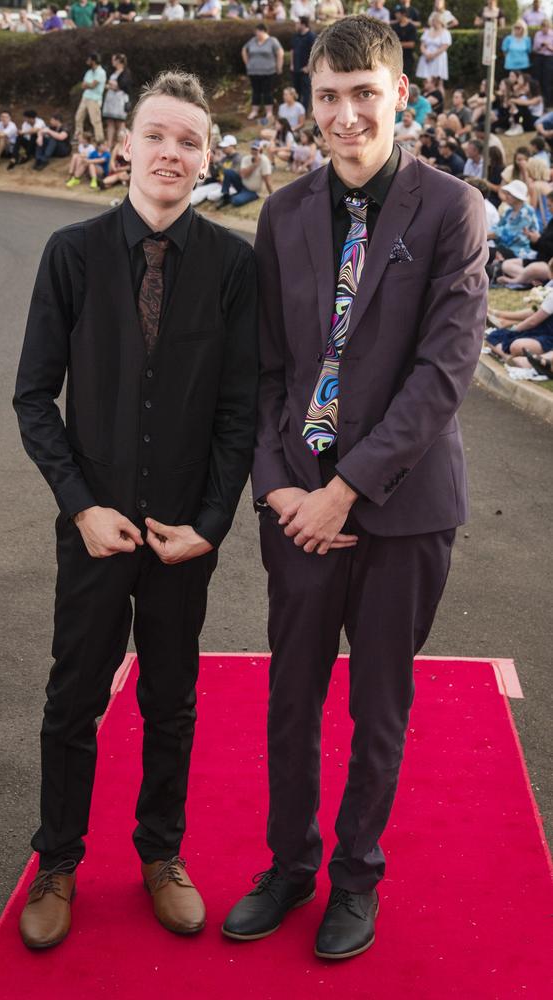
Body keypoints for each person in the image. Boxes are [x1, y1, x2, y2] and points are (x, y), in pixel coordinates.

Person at [221, 14, 486, 961]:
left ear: (399, 94)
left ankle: (356, 876)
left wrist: (349, 492)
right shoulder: (282, 213)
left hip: (403, 512)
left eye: (362, 93)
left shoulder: (454, 209)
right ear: (306, 100)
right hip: (295, 503)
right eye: (327, 97)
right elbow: (263, 373)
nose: (344, 115)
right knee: (290, 699)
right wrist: (277, 488)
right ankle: (288, 867)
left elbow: (443, 374)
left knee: (379, 706)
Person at [13, 69, 258, 950]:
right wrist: (80, 507)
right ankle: (58, 863)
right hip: (93, 532)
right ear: (126, 143)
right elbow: (35, 398)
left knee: (172, 700)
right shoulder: (71, 254)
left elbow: (240, 412)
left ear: (206, 159)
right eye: (157, 135)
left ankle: (161, 855)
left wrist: (213, 523)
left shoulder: (235, 264)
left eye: (190, 141)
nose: (171, 152)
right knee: (72, 698)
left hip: (183, 538)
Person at [242, 22, 284, 124]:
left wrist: (279, 66)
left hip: (268, 71)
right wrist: (247, 63)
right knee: (256, 91)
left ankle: (269, 112)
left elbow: (280, 52)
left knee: (267, 92)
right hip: (254, 72)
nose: (256, 34)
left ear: (264, 31)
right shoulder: (252, 41)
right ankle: (254, 111)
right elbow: (244, 49)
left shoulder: (272, 41)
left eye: (258, 32)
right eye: (256, 32)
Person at [219, 138, 273, 206]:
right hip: (242, 185)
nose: (254, 151)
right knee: (228, 172)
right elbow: (243, 175)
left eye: (256, 149)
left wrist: (272, 196)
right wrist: (255, 165)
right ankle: (225, 196)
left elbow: (267, 181)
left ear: (261, 150)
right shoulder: (246, 159)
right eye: (253, 149)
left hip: (254, 191)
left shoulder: (265, 161)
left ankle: (236, 197)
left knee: (236, 201)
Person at [74, 52, 107, 145]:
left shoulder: (101, 72)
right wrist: (89, 85)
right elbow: (83, 85)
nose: (87, 61)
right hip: (85, 97)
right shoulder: (88, 72)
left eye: (89, 59)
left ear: (93, 61)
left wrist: (88, 85)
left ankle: (99, 140)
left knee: (95, 120)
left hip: (95, 99)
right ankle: (78, 137)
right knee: (78, 117)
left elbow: (93, 85)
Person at [103, 53, 131, 146]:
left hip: (120, 100)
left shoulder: (126, 72)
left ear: (118, 61)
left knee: (120, 123)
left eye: (114, 60)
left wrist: (111, 84)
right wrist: (111, 85)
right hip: (111, 100)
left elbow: (121, 86)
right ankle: (110, 145)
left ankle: (123, 145)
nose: (112, 62)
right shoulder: (114, 72)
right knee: (110, 122)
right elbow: (111, 85)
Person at [290, 17, 317, 115]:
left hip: (306, 71)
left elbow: (315, 53)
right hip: (295, 69)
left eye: (297, 23)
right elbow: (292, 50)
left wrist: (309, 66)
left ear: (303, 24)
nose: (295, 26)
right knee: (296, 91)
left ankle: (303, 113)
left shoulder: (311, 36)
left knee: (306, 93)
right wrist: (292, 64)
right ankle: (295, 113)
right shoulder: (295, 36)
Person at [415, 12, 451, 82]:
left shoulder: (445, 32)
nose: (433, 22)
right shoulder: (427, 31)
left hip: (438, 58)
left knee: (438, 81)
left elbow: (445, 46)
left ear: (440, 21)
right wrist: (426, 54)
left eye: (435, 20)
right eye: (433, 20)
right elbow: (422, 45)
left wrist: (433, 55)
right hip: (426, 57)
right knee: (426, 80)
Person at [532, 20, 553, 108]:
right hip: (539, 57)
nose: (544, 28)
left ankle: (547, 103)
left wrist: (548, 46)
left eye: (546, 26)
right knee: (537, 79)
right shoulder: (538, 34)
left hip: (549, 58)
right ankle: (537, 102)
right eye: (543, 26)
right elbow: (534, 49)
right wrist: (541, 46)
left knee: (547, 81)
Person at [392, 6, 418, 79]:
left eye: (397, 13)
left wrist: (397, 44)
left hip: (407, 59)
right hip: (395, 58)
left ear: (403, 14)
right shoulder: (394, 27)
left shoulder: (411, 27)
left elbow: (411, 44)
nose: (395, 15)